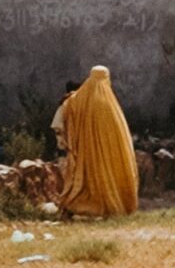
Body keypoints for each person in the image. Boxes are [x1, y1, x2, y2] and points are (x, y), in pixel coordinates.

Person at [57, 65, 140, 216]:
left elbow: (63, 116)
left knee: (85, 179)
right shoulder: (111, 106)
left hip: (85, 152)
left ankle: (76, 206)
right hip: (109, 154)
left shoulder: (75, 101)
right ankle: (109, 206)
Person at [49, 80, 78, 156]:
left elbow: (57, 126)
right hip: (68, 144)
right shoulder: (66, 105)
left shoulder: (64, 105)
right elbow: (58, 127)